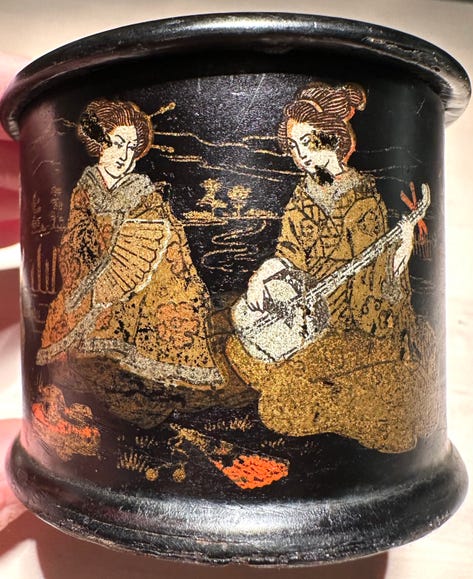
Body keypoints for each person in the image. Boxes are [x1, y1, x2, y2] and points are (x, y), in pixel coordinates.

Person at [227, 82, 440, 453]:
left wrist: (402, 250)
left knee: (281, 400)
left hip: (347, 320)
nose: (302, 156)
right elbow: (288, 253)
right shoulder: (303, 194)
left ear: (334, 137)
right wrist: (262, 277)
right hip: (303, 310)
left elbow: (377, 279)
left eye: (308, 143)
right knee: (238, 344)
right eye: (295, 147)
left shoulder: (363, 198)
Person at [36, 98, 224, 427]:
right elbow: (75, 241)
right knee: (71, 335)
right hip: (92, 280)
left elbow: (160, 244)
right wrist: (91, 263)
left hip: (143, 285)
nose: (124, 155)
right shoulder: (85, 188)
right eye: (117, 143)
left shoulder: (142, 192)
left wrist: (123, 266)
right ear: (100, 143)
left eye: (131, 147)